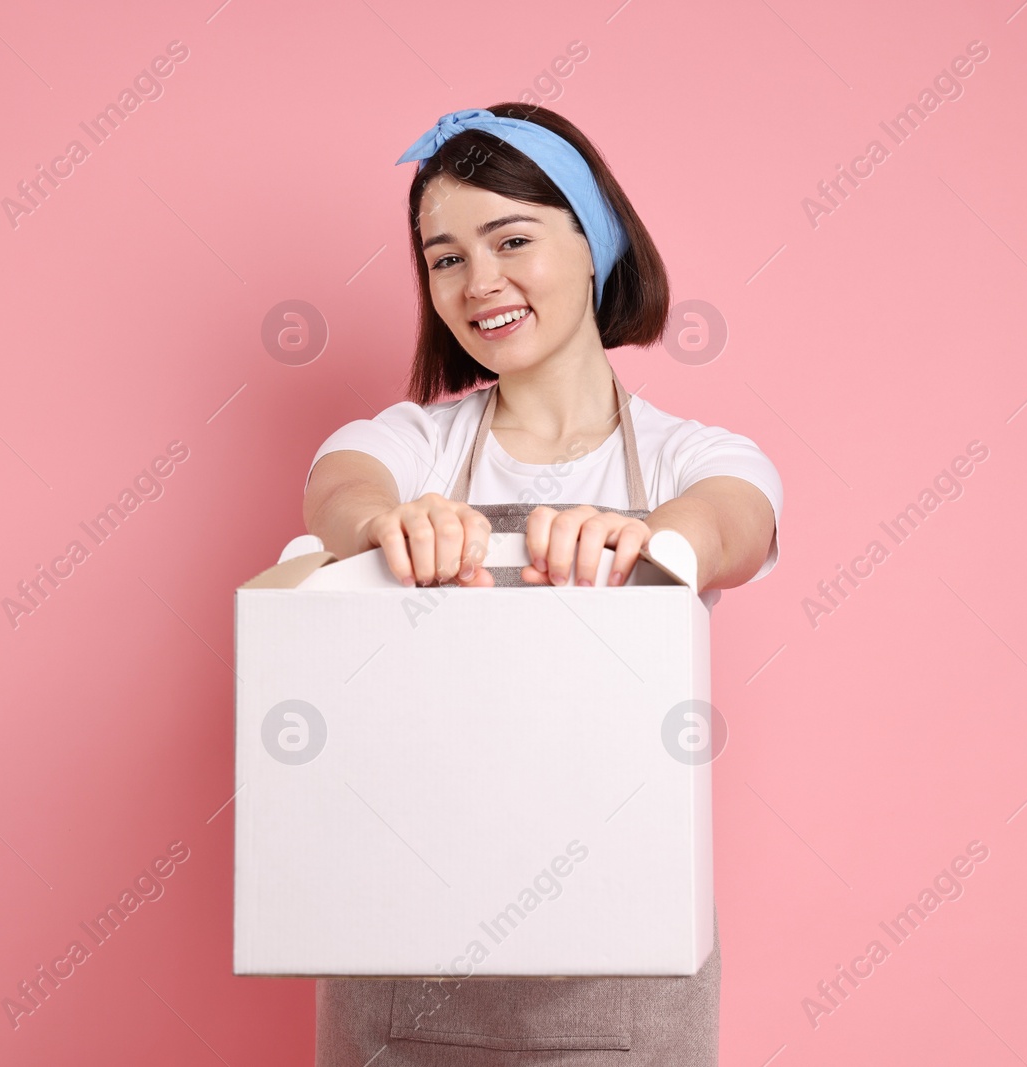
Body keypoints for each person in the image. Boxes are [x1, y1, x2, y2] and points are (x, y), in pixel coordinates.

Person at [301, 104, 782, 1065]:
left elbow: (732, 522)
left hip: (627, 964)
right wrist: (387, 526)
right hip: (400, 950)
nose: (480, 283)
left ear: (595, 240)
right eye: (444, 258)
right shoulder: (413, 447)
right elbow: (337, 487)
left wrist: (651, 538)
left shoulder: (697, 459)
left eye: (510, 238)